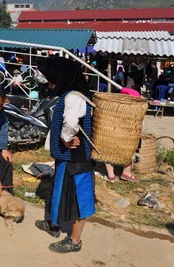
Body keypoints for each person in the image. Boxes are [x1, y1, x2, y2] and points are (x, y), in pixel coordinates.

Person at [35, 57, 95, 253]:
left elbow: (70, 122)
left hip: (77, 159)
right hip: (65, 157)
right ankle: (54, 225)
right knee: (59, 192)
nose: (50, 83)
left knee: (79, 197)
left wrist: (66, 138)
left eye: (51, 78)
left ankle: (75, 241)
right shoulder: (69, 94)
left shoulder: (74, 97)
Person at [103, 88, 140, 183]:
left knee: (108, 151)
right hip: (124, 136)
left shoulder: (113, 108)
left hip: (112, 133)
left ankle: (111, 176)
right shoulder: (133, 112)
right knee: (129, 150)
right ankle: (126, 173)